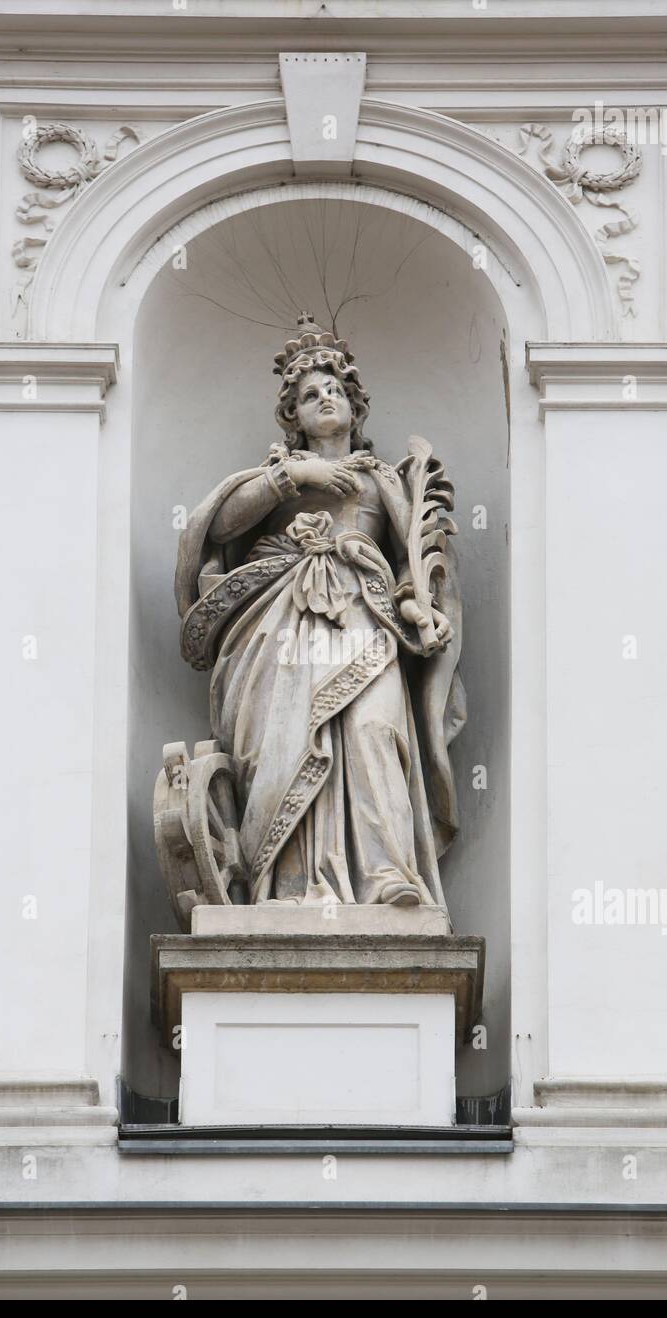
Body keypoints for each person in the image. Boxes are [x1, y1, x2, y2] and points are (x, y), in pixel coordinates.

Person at [174, 315, 465, 908]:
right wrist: (291, 477)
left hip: (364, 617)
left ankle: (384, 877)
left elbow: (413, 557)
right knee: (283, 740)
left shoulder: (380, 481)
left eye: (333, 389)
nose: (324, 398)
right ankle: (285, 884)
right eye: (309, 394)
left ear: (355, 407)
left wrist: (419, 605)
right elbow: (221, 525)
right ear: (294, 417)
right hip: (279, 625)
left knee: (374, 729)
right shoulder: (275, 476)